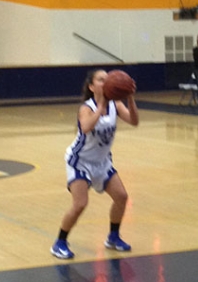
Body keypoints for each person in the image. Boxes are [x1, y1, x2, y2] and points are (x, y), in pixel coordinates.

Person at [52, 68, 139, 260]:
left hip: (102, 162)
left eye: (108, 79)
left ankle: (113, 237)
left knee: (122, 197)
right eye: (101, 80)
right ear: (92, 87)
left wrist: (130, 98)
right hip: (80, 161)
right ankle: (59, 242)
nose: (106, 82)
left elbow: (134, 121)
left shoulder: (116, 104)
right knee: (80, 204)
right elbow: (86, 127)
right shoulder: (87, 107)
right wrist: (101, 106)